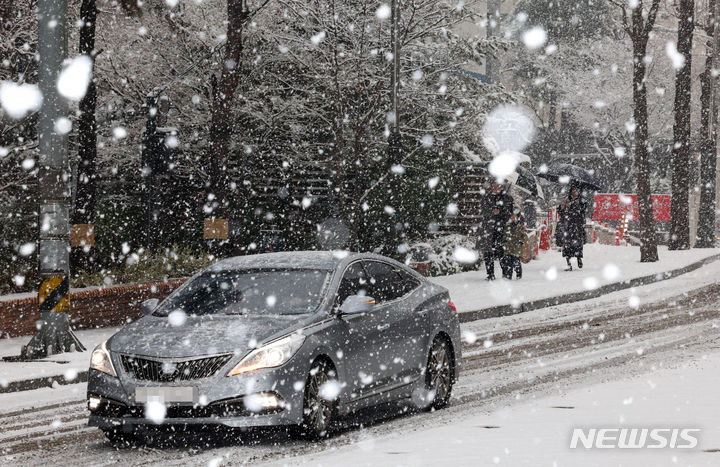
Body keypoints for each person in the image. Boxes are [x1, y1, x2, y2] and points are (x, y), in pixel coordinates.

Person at [476, 181, 514, 280]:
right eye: (493, 185)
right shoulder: (486, 197)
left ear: (501, 187)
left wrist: (500, 212)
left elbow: (509, 214)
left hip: (501, 229)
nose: (495, 187)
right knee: (488, 252)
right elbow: (482, 210)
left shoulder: (507, 198)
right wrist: (491, 211)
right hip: (488, 229)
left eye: (497, 186)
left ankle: (505, 273)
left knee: (502, 252)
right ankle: (490, 274)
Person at [557, 184, 587, 271]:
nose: (575, 192)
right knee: (567, 246)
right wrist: (562, 208)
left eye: (576, 191)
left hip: (577, 226)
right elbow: (560, 212)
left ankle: (578, 258)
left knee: (577, 245)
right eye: (573, 191)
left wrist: (572, 205)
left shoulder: (582, 201)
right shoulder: (566, 199)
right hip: (568, 226)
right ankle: (568, 264)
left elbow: (582, 210)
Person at [501, 210, 526, 280]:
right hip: (508, 247)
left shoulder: (520, 226)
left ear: (517, 217)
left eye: (514, 217)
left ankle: (518, 274)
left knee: (516, 263)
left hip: (516, 248)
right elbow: (504, 234)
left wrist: (521, 241)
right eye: (512, 217)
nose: (513, 218)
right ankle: (508, 275)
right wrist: (504, 240)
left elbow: (524, 235)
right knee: (508, 263)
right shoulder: (507, 225)